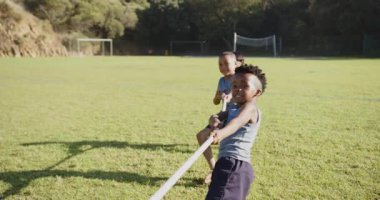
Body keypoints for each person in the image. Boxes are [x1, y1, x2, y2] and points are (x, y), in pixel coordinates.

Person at [205, 64, 267, 200]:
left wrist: (220, 133)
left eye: (244, 86)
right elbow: (217, 117)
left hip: (234, 165)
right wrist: (213, 120)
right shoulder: (234, 109)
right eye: (234, 85)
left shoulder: (250, 109)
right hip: (229, 164)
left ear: (257, 92)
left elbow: (237, 122)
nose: (238, 89)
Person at [197, 51, 237, 185]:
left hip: (234, 118)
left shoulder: (238, 78)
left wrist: (230, 96)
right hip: (223, 116)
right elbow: (215, 101)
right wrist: (217, 97)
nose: (223, 67)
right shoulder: (221, 80)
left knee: (225, 145)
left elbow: (235, 93)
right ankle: (214, 169)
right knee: (201, 136)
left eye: (226, 63)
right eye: (220, 64)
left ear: (236, 64)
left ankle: (225, 173)